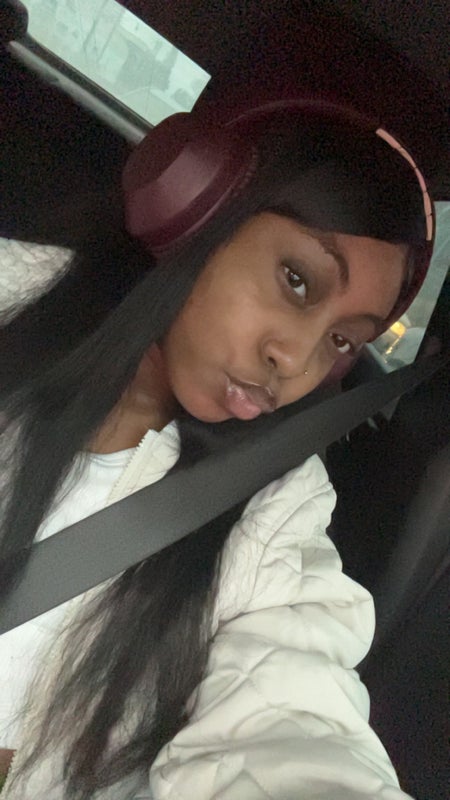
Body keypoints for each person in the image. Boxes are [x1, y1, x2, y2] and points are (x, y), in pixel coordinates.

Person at [0, 99, 434, 799]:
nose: (297, 361)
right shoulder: (12, 296)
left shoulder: (275, 514)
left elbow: (292, 721)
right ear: (197, 214)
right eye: (297, 281)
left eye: (341, 341)